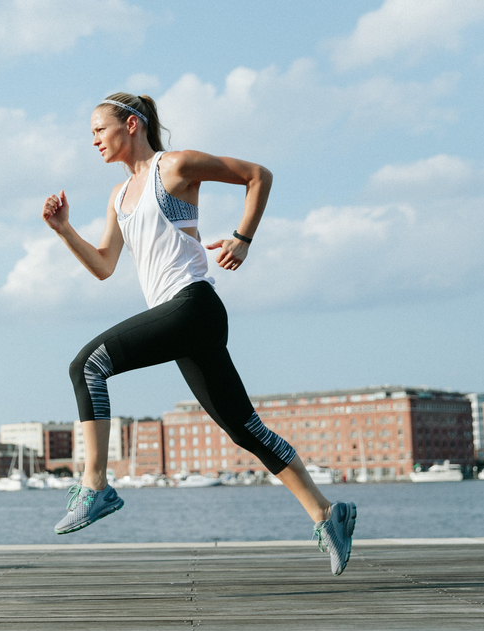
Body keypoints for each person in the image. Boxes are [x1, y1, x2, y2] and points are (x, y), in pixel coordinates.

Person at [40, 92, 356, 576]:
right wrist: (64, 231)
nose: (94, 141)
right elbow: (104, 266)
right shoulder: (119, 196)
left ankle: (96, 486)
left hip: (193, 306)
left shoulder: (176, 166)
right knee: (243, 428)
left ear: (130, 125)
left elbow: (258, 176)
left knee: (87, 365)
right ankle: (327, 514)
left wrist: (242, 238)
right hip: (182, 320)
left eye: (98, 130)